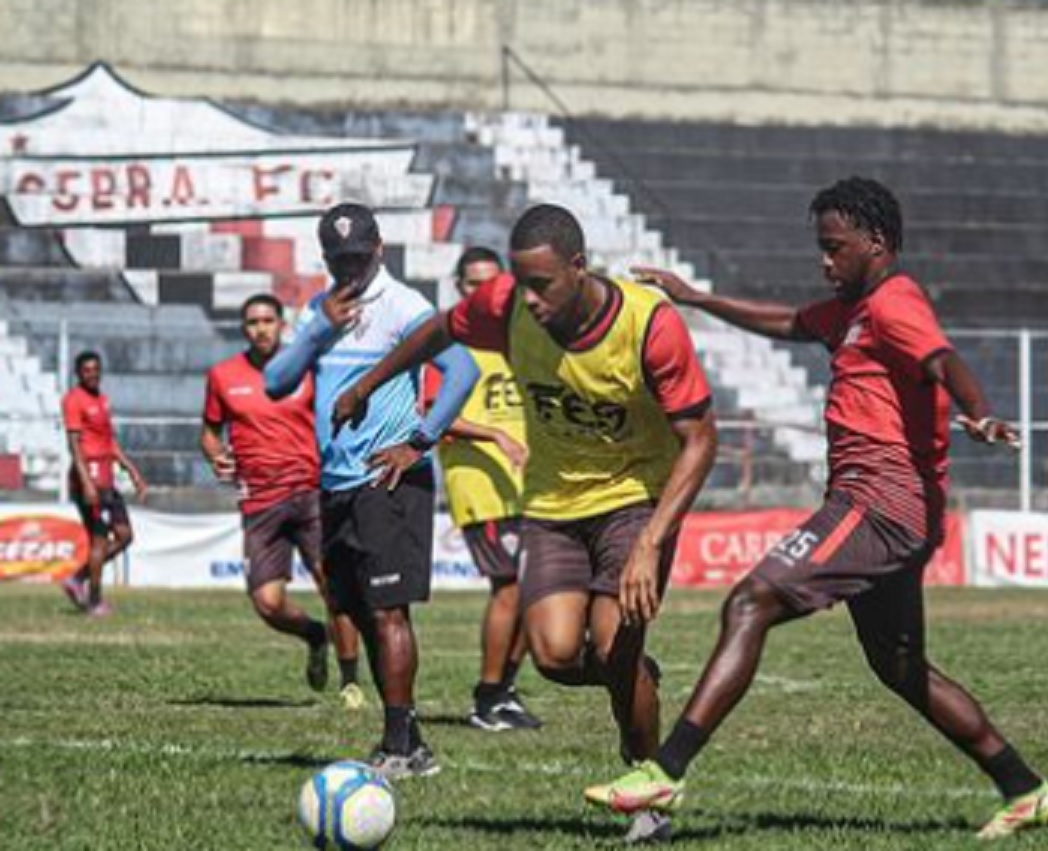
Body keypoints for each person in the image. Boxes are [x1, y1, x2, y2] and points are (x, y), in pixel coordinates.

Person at [583, 177, 1048, 841]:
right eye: (821, 247)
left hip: (880, 502)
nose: (824, 260)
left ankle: (667, 767)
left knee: (750, 601)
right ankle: (1026, 788)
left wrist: (978, 412)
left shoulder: (894, 302)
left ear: (878, 242)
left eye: (835, 247)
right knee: (898, 667)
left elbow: (942, 359)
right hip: (893, 509)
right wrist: (697, 299)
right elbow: (786, 322)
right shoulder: (850, 310)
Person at [332, 204, 717, 843]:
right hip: (555, 505)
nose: (529, 299)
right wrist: (370, 384)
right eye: (520, 282)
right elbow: (435, 334)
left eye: (542, 284)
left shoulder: (650, 325)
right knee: (557, 657)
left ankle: (649, 800)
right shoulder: (506, 303)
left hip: (635, 500)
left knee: (614, 645)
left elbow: (701, 440)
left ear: (579, 267)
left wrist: (652, 540)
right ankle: (637, 677)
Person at [265, 202, 479, 779]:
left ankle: (399, 747)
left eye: (359, 257)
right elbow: (276, 381)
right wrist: (318, 330)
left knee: (388, 612)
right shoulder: (321, 309)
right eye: (340, 259)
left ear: (379, 249)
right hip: (336, 485)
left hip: (388, 481)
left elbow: (462, 372)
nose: (350, 268)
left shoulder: (404, 307)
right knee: (353, 607)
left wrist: (420, 440)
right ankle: (408, 734)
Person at [201, 293, 365, 707]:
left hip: (311, 491)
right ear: (243, 328)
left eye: (268, 320)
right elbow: (209, 431)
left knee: (335, 589)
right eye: (253, 321)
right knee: (268, 603)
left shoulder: (307, 370)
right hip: (259, 501)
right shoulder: (223, 375)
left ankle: (350, 684)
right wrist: (215, 455)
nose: (261, 328)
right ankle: (314, 635)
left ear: (282, 325)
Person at [435, 247, 540, 732]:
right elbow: (434, 418)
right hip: (482, 484)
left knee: (534, 590)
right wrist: (496, 434)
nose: (482, 292)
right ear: (459, 288)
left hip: (531, 485)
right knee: (510, 587)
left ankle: (505, 691)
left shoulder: (519, 337)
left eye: (491, 283)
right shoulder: (448, 342)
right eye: (473, 283)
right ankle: (485, 699)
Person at [60, 351, 147, 617]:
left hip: (107, 479)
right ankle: (94, 602)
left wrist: (132, 470)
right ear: (78, 373)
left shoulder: (103, 400)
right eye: (87, 370)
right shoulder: (73, 400)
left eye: (96, 369)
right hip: (90, 479)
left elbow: (108, 441)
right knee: (99, 540)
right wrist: (86, 483)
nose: (93, 374)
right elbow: (74, 445)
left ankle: (77, 578)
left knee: (124, 536)